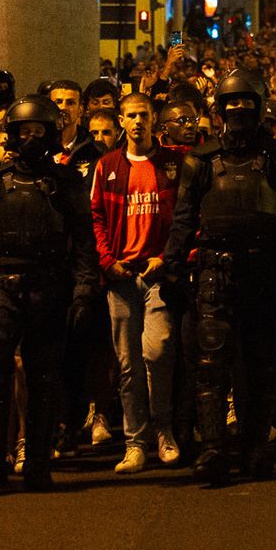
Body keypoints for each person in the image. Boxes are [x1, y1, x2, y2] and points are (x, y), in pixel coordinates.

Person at [165, 69, 276, 483]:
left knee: (260, 364)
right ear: (220, 110)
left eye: (247, 104)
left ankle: (255, 447)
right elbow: (183, 220)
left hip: (265, 269)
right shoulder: (201, 160)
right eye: (232, 104)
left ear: (260, 107)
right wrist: (174, 266)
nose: (239, 111)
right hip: (215, 270)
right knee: (211, 362)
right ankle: (213, 449)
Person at [0, 96, 100, 495]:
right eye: (25, 132)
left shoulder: (65, 182)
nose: (32, 138)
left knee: (43, 379)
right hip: (1, 286)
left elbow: (84, 241)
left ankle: (38, 462)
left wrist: (85, 288)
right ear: (13, 135)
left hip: (48, 288)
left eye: (39, 132)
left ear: (51, 135)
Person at [91, 93, 183, 474]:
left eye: (143, 115)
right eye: (130, 116)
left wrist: (166, 259)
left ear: (153, 118)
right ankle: (135, 443)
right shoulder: (107, 165)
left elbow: (183, 217)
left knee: (158, 354)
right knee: (128, 365)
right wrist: (107, 262)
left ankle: (165, 432)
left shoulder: (173, 164)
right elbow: (96, 215)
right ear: (122, 120)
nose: (137, 122)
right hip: (121, 277)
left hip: (157, 274)